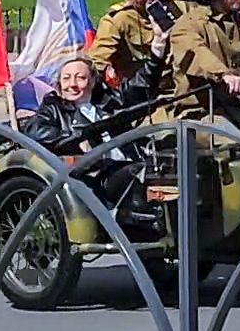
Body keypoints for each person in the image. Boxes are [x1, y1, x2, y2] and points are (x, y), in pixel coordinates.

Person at [21, 44, 169, 224]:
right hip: (98, 176)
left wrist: (157, 51)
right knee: (136, 172)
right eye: (66, 78)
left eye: (80, 78)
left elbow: (140, 86)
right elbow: (36, 131)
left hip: (134, 163)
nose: (72, 84)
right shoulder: (52, 107)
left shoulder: (108, 101)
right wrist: (75, 138)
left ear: (92, 82)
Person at [88, 0, 182, 88]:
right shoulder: (118, 20)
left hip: (181, 88)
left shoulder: (175, 6)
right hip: (146, 92)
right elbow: (95, 63)